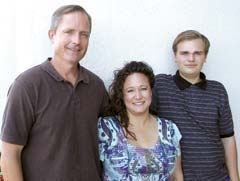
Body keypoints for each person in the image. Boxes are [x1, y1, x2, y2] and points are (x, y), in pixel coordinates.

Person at [0, 5, 109, 181]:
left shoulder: (96, 86)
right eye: (69, 32)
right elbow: (10, 154)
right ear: (52, 35)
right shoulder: (28, 85)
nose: (77, 40)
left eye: (84, 34)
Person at [152, 30, 240, 181]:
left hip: (217, 177)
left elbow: (228, 138)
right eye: (184, 53)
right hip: (177, 177)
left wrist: (235, 178)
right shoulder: (160, 85)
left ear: (205, 57)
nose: (191, 58)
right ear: (175, 57)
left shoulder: (218, 90)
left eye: (197, 53)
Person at [98, 61, 183, 180]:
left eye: (143, 88)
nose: (138, 96)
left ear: (151, 91)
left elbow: (177, 176)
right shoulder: (105, 129)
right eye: (130, 90)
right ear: (122, 95)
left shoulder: (169, 130)